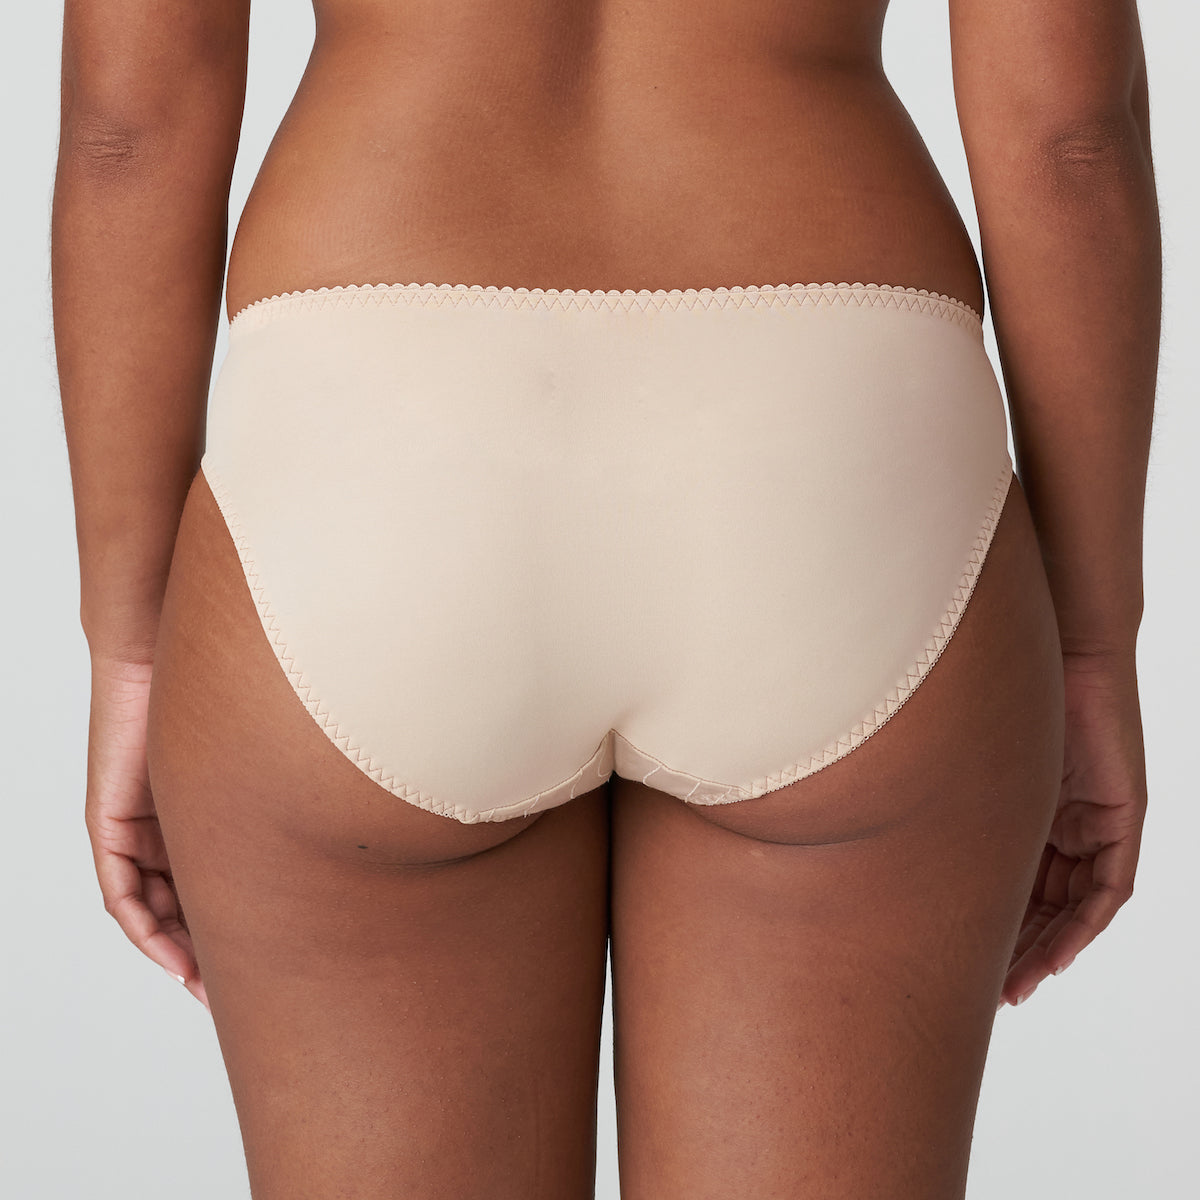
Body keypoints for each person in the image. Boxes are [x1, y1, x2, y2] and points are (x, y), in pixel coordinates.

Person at [51, 0, 1159, 1195]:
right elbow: (1070, 137)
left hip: (377, 415)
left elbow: (129, 130)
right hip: (829, 429)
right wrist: (1093, 647)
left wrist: (132, 652)